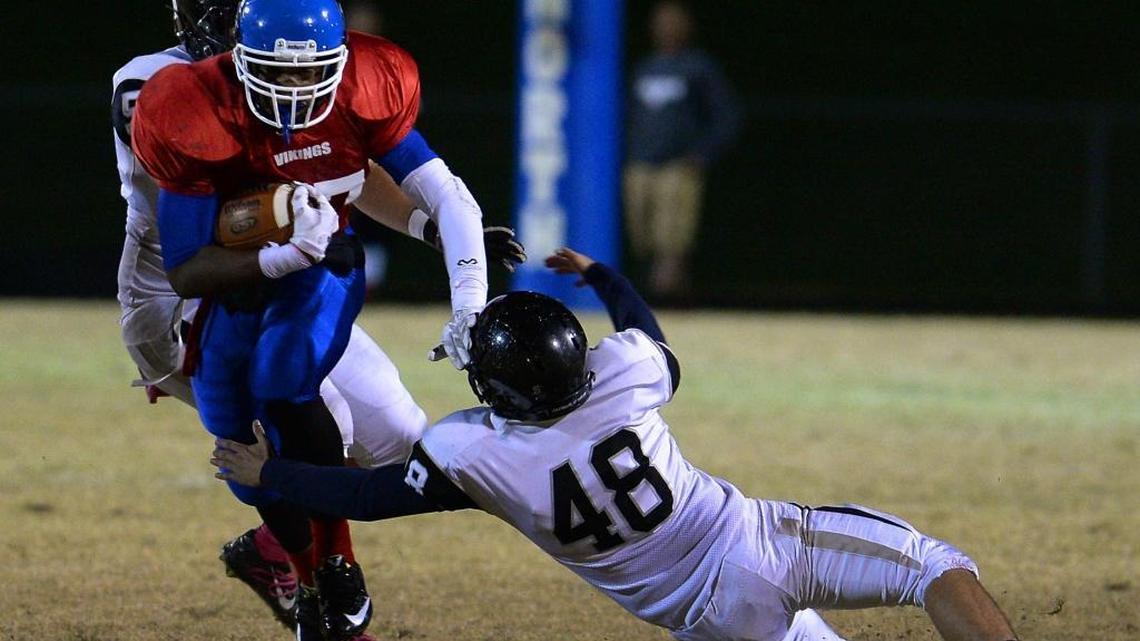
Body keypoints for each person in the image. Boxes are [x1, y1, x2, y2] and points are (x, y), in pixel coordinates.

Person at [212, 247, 1020, 641]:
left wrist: (270, 470)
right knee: (933, 565)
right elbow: (646, 330)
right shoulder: (622, 371)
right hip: (759, 541)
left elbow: (365, 496)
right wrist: (601, 275)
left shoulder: (476, 456)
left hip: (707, 621)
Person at [129, 0, 518, 638]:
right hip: (199, 294)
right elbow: (188, 263)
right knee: (239, 429)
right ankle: (310, 577)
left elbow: (378, 177)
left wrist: (455, 274)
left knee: (382, 434)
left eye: (309, 74)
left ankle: (330, 563)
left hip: (312, 271)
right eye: (274, 73)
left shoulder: (363, 86)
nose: (292, 90)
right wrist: (285, 250)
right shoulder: (171, 96)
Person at [625, 0, 741, 299]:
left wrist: (701, 155)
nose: (667, 27)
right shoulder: (645, 67)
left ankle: (668, 303)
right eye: (661, 21)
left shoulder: (698, 67)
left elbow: (726, 116)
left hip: (678, 166)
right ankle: (667, 299)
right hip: (641, 165)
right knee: (643, 240)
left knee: (672, 244)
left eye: (674, 21)